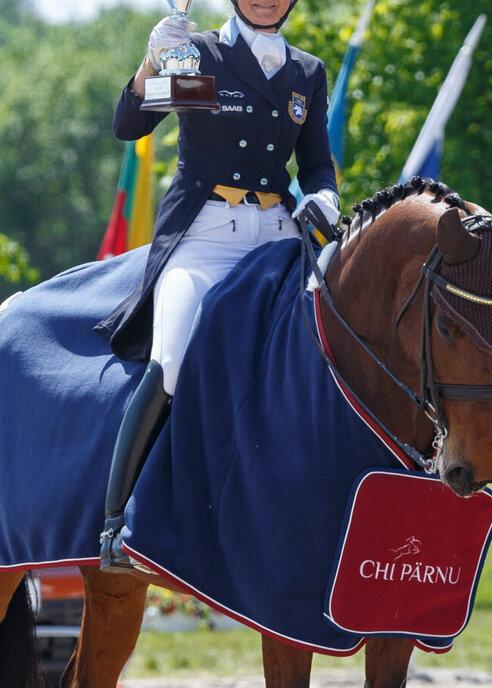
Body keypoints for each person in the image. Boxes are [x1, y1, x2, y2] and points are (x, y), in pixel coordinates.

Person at [96, 0, 338, 572]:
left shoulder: (307, 71)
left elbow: (317, 164)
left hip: (279, 236)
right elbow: (129, 125)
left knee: (333, 352)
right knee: (174, 357)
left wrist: (324, 194)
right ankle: (118, 523)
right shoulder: (200, 54)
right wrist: (151, 64)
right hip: (204, 236)